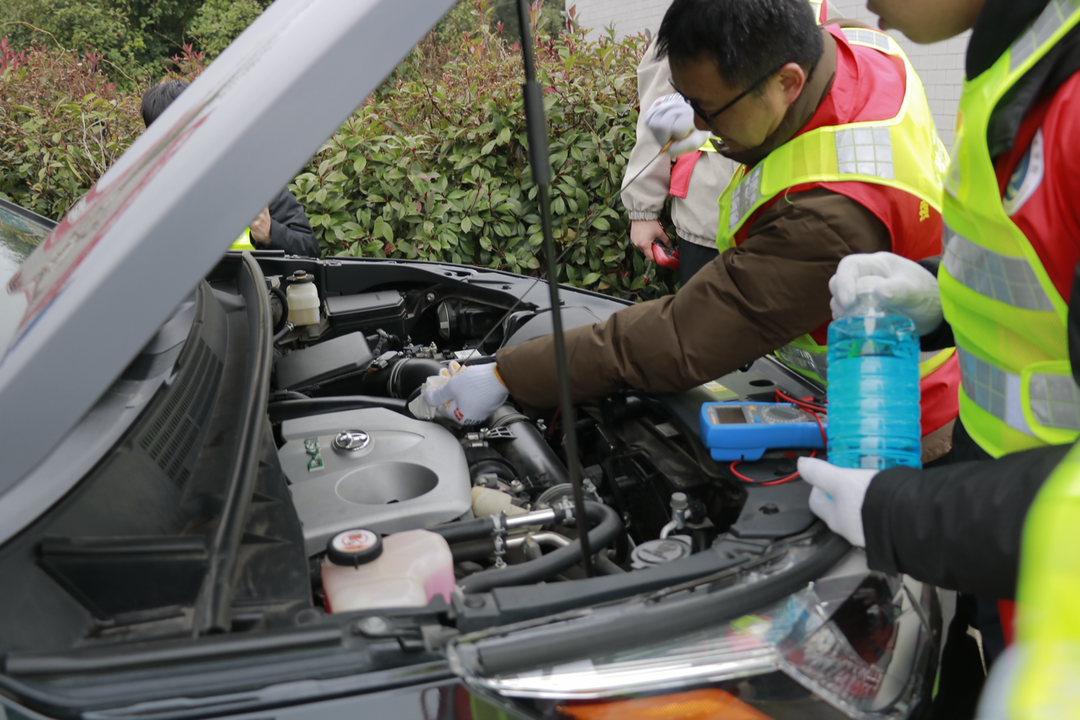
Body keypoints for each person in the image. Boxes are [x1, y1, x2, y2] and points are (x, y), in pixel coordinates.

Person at [427, 0, 959, 463]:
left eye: (707, 108)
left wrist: (505, 376)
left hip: (888, 416)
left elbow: (680, 338)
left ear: (787, 82)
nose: (699, 127)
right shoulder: (866, 49)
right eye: (688, 103)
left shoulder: (825, 217)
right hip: (830, 386)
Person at [794, 0, 1080, 714]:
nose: (864, 2)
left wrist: (902, 517)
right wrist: (942, 301)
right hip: (1019, 564)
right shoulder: (1020, 59)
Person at [622, 1, 831, 285]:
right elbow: (659, 115)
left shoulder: (821, 14)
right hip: (713, 217)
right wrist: (642, 209)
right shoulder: (704, 13)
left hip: (786, 214)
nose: (699, 120)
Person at [141, 80, 320, 258]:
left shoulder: (250, 179)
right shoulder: (142, 200)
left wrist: (271, 233)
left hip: (246, 285)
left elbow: (310, 250)